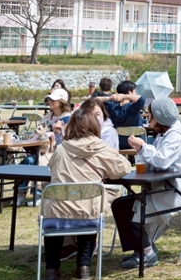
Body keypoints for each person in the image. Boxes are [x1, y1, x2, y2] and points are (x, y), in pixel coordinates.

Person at [42, 107, 133, 280]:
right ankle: (84, 267)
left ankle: (52, 269)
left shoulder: (62, 149)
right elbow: (123, 168)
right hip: (88, 213)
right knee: (88, 207)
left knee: (61, 212)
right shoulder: (100, 148)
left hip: (57, 213)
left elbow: (51, 168)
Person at [115, 98, 181, 270]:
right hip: (161, 187)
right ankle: (142, 247)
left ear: (159, 117)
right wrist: (140, 151)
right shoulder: (163, 135)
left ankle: (146, 251)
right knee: (121, 205)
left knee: (132, 207)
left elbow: (162, 161)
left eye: (150, 115)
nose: (147, 119)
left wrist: (143, 147)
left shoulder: (176, 137)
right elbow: (153, 163)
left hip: (174, 192)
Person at [104, 81, 145, 149]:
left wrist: (109, 98)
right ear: (130, 92)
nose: (135, 94)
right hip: (136, 143)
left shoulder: (112, 107)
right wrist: (125, 96)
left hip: (117, 143)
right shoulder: (132, 107)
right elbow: (142, 99)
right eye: (134, 92)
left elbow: (93, 100)